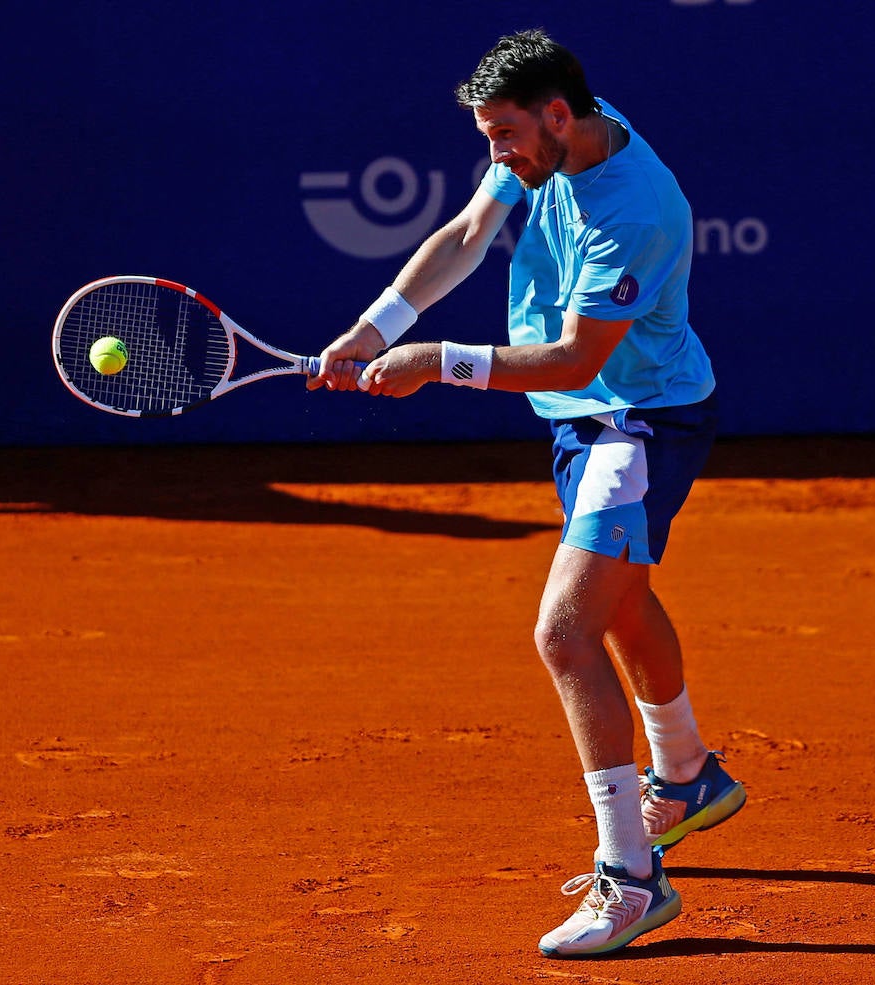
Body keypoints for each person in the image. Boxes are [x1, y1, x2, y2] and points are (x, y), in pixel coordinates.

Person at [308, 28, 746, 958]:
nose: (496, 155)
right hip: (580, 420)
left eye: (504, 134)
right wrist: (372, 327)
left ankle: (633, 877)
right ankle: (691, 774)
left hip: (636, 420)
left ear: (557, 115)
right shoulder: (559, 138)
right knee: (620, 602)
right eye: (488, 136)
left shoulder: (631, 209)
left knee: (565, 629)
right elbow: (468, 234)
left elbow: (577, 354)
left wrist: (433, 361)